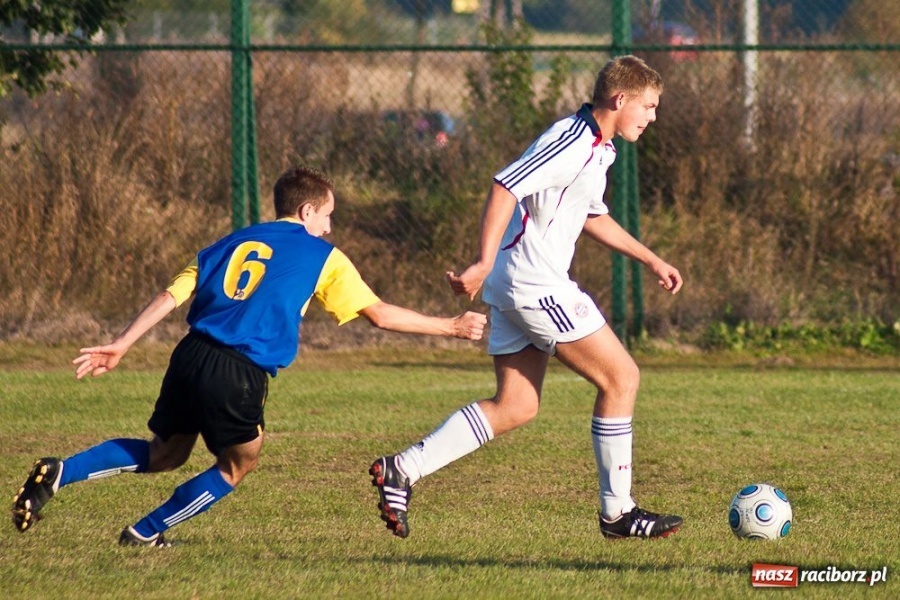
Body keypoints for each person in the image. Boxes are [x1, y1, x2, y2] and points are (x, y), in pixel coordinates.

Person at [11, 166, 486, 547]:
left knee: (165, 452)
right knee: (238, 464)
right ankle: (146, 531)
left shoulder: (230, 242)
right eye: (327, 215)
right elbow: (379, 315)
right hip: (238, 371)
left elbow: (171, 295)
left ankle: (61, 471)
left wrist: (122, 343)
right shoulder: (323, 256)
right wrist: (451, 326)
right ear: (307, 211)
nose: (329, 226)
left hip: (190, 354)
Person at [369, 55, 684, 540]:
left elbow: (591, 215)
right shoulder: (570, 140)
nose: (653, 116)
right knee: (621, 377)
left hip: (522, 284)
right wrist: (482, 261)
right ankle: (618, 513)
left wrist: (651, 259)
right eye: (649, 105)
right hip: (534, 284)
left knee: (516, 405)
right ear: (620, 99)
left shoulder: (599, 148)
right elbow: (505, 186)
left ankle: (403, 469)